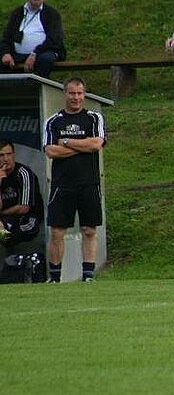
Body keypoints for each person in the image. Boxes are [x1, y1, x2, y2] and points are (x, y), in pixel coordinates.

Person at [43, 77, 107, 282]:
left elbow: (96, 144)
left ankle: (88, 275)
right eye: (72, 93)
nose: (76, 97)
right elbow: (51, 151)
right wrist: (82, 146)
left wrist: (67, 142)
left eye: (79, 93)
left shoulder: (94, 118)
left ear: (84, 94)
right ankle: (55, 278)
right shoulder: (53, 121)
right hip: (62, 184)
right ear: (65, 94)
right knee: (57, 232)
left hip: (89, 182)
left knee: (89, 230)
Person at [0, 0, 66, 79]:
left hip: (44, 52)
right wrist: (5, 53)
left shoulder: (52, 14)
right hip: (18, 55)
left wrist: (35, 53)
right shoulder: (17, 13)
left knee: (45, 59)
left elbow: (54, 39)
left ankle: (35, 87)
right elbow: (6, 37)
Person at [0, 140, 44, 260]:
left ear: (14, 155)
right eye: (1, 155)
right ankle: (12, 259)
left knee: (2, 229)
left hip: (28, 220)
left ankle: (14, 258)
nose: (6, 159)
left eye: (9, 154)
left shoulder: (23, 173)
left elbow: (24, 208)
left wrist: (1, 214)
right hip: (4, 221)